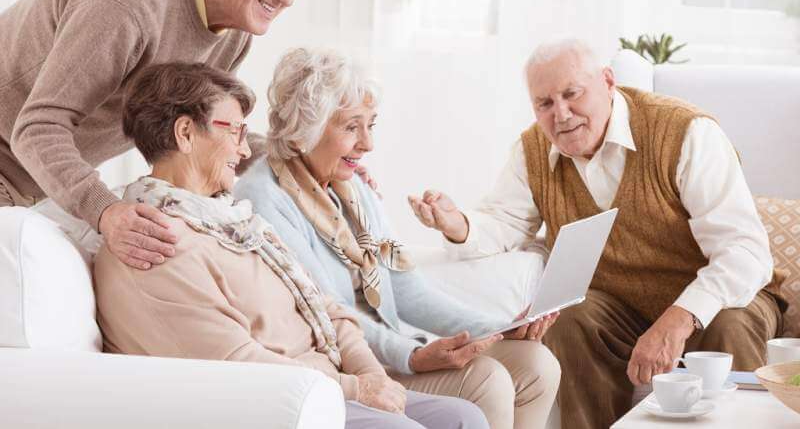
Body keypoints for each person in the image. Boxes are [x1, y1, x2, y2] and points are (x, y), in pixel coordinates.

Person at [407, 39, 786, 429]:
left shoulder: (685, 133)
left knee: (731, 325)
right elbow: (503, 222)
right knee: (571, 321)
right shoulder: (532, 151)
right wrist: (456, 224)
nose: (562, 114)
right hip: (621, 309)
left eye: (572, 94)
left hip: (722, 302)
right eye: (545, 104)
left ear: (608, 82)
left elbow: (745, 252)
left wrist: (679, 318)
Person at [93, 62, 487, 429]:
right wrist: (356, 387)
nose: (245, 151)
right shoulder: (151, 242)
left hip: (325, 381)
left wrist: (369, 374)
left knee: (463, 418)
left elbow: (326, 307)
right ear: (185, 133)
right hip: (273, 403)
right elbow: (236, 363)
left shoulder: (234, 221)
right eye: (235, 132)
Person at [234, 48, 562, 429]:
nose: (367, 145)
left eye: (371, 125)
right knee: (488, 381)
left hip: (393, 348)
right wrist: (412, 356)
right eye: (351, 127)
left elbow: (407, 290)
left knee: (538, 366)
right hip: (348, 364)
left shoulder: (353, 188)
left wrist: (499, 326)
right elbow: (324, 314)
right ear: (304, 128)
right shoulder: (265, 198)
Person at [0, 0, 313, 271]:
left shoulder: (233, 29)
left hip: (36, 181)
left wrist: (299, 159)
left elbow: (203, 132)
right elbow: (37, 129)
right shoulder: (128, 4)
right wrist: (106, 211)